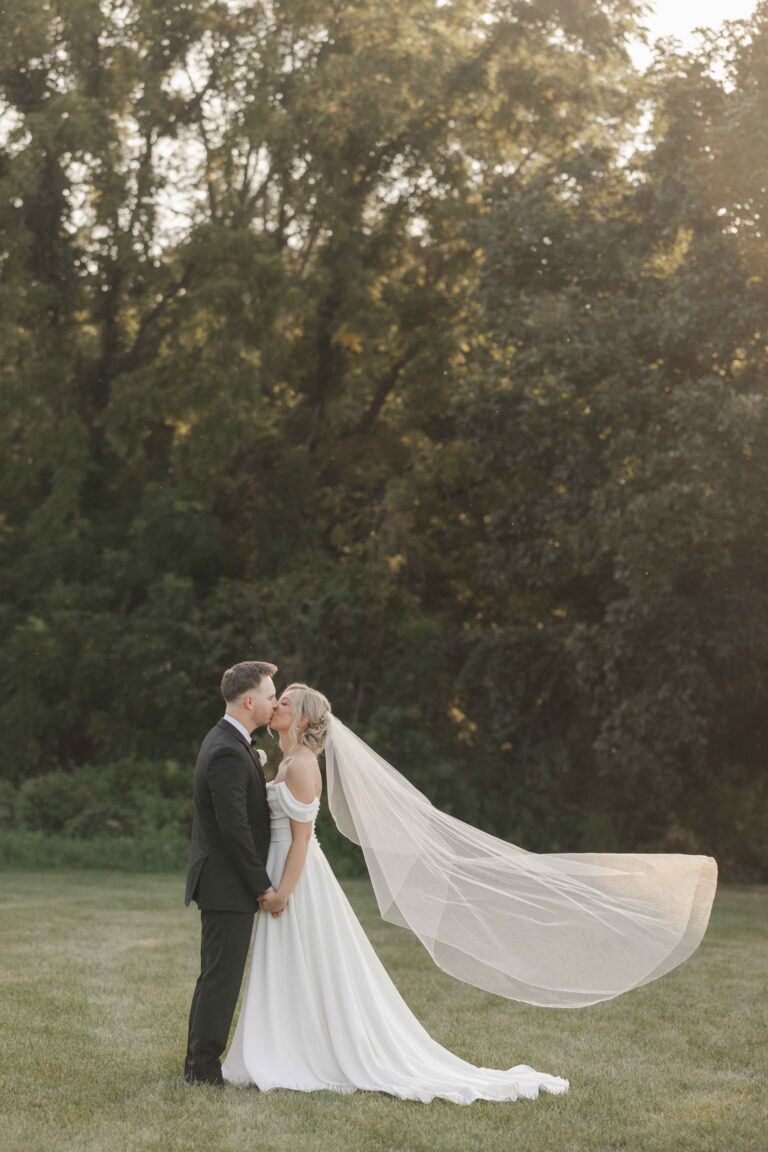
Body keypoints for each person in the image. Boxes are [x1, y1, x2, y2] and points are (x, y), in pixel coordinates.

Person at [221, 683, 570, 1103]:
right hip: (283, 870)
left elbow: (301, 839)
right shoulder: (288, 759)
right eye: (278, 699)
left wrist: (282, 893)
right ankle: (283, 1043)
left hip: (296, 877)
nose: (277, 704)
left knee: (306, 957)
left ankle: (300, 1051)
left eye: (287, 702)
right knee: (292, 960)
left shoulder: (302, 766)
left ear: (305, 720)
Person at [184, 660, 285, 1086]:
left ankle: (199, 1064)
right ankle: (202, 1071)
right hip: (227, 884)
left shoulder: (232, 739)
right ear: (249, 701)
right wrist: (263, 886)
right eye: (268, 695)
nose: (274, 700)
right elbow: (234, 830)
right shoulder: (227, 749)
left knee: (217, 975)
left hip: (223, 882)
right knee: (221, 979)